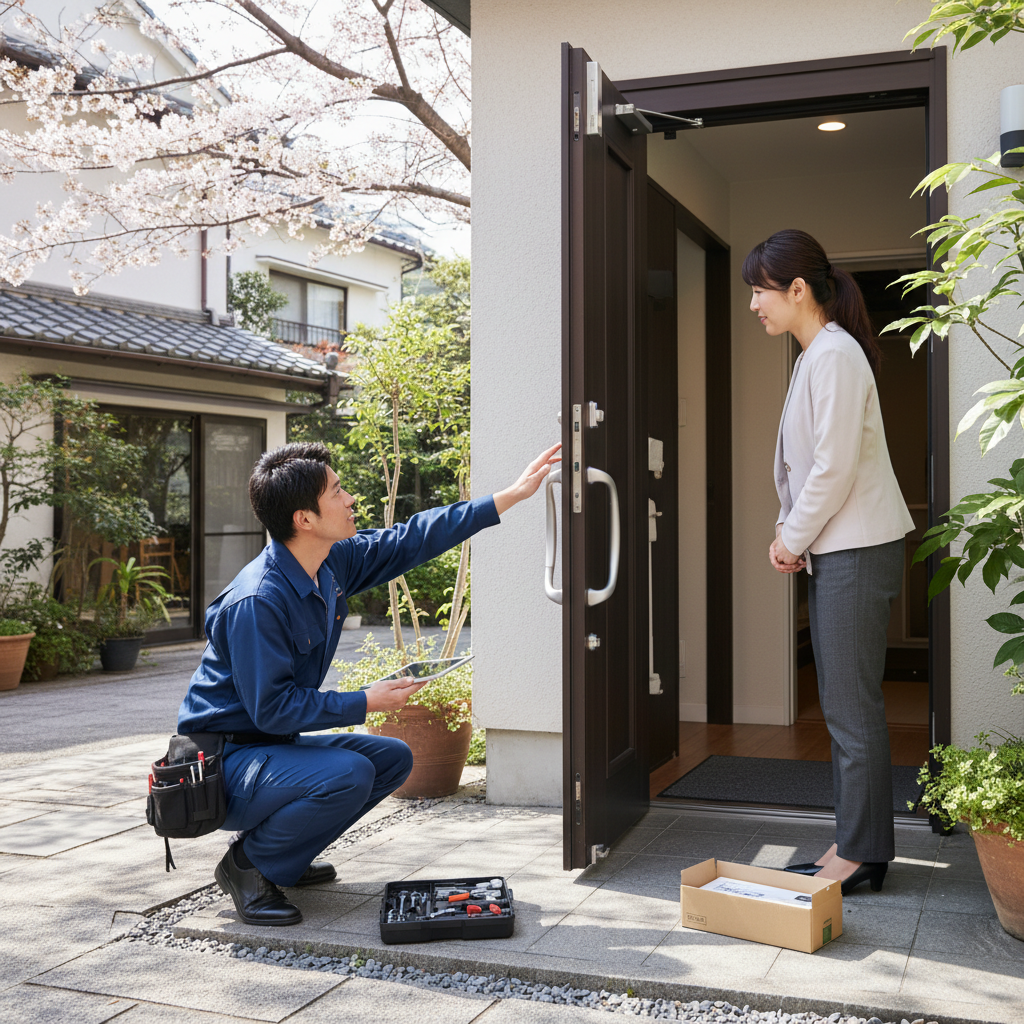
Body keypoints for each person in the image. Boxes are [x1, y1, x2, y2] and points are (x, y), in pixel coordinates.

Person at [177, 440, 560, 925]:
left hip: (267, 749)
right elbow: (272, 709)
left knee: (391, 758)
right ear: (305, 519)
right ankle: (247, 867)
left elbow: (409, 539)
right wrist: (365, 701)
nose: (350, 499)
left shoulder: (328, 562)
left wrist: (508, 496)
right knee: (348, 773)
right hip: (223, 766)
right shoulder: (258, 600)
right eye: (337, 492)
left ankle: (284, 860)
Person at [744, 229, 914, 896]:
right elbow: (818, 465)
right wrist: (790, 531)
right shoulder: (821, 354)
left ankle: (863, 854)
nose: (755, 304)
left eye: (761, 291)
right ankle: (855, 840)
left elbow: (834, 467)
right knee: (847, 705)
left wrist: (791, 536)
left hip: (853, 548)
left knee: (849, 709)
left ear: (797, 289)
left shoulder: (834, 355)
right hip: (842, 546)